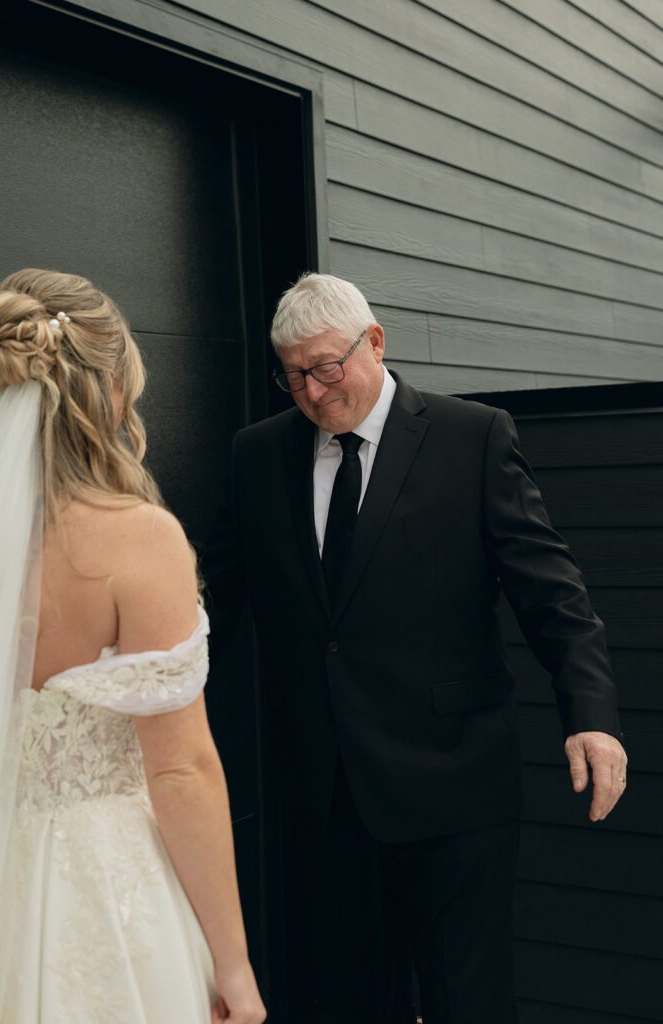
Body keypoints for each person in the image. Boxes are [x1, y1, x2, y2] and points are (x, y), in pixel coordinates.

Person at [202, 272, 627, 1023]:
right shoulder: (256, 455)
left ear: (374, 342)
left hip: (455, 786)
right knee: (338, 1003)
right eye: (293, 374)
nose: (310, 391)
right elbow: (216, 604)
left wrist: (588, 713)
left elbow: (549, 591)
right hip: (321, 793)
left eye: (325, 367)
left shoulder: (473, 436)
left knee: (466, 1001)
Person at [0, 269, 266, 1024]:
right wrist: (234, 967)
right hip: (107, 897)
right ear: (106, 390)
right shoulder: (141, 539)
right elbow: (181, 771)